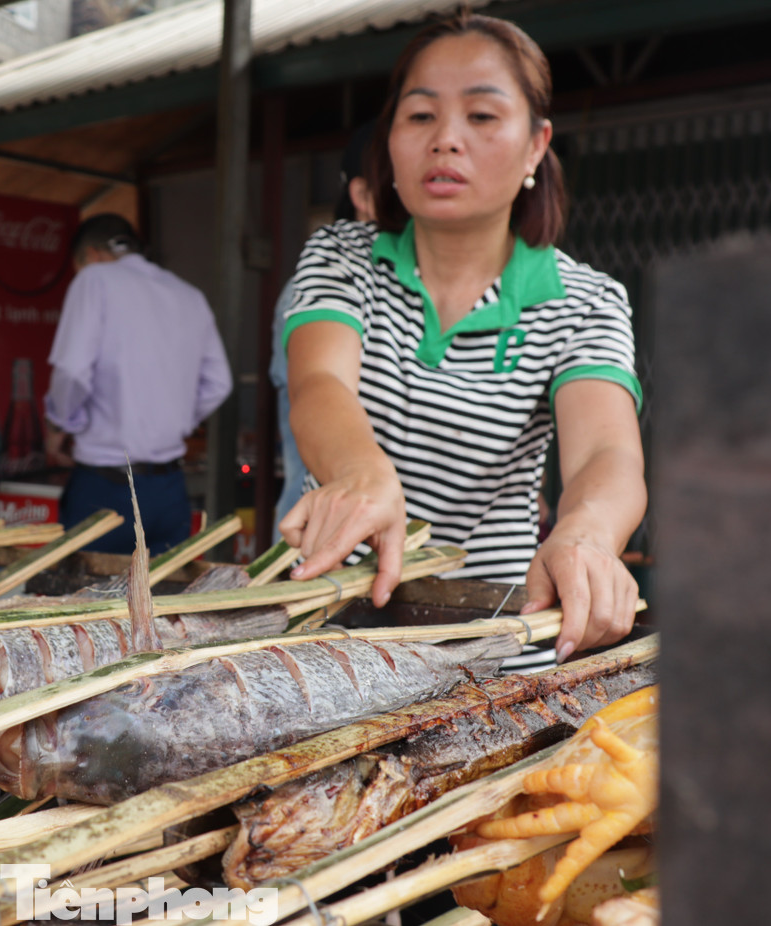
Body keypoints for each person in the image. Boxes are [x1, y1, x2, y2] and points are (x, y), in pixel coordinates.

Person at [280, 11, 646, 665]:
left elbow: (606, 453)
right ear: (390, 140)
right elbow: (319, 382)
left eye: (481, 116)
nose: (446, 139)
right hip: (331, 633)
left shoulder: (586, 301)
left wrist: (587, 530)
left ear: (536, 145)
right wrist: (361, 474)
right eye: (420, 116)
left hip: (495, 639)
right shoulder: (340, 255)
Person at [45, 214, 232, 554]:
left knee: (88, 601)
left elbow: (71, 372)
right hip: (170, 490)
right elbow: (219, 382)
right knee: (163, 601)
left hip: (105, 487)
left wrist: (60, 423)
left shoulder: (94, 280)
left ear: (91, 254)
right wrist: (174, 419)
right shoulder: (189, 295)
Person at [270, 122, 376, 541]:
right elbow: (318, 386)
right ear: (364, 196)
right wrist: (363, 475)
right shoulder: (322, 281)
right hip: (322, 539)